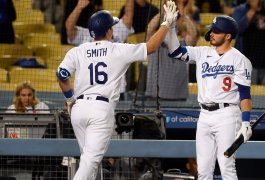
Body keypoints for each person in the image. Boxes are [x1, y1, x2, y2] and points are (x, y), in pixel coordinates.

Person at [56, 0, 178, 178]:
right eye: (112, 26)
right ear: (108, 31)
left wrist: (69, 98)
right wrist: (167, 23)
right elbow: (151, 47)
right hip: (100, 110)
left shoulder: (78, 51)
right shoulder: (118, 49)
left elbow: (61, 75)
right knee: (91, 160)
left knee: (87, 160)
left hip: (79, 108)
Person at [165, 15, 253, 179]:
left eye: (217, 31)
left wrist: (246, 121)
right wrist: (170, 28)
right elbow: (175, 52)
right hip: (204, 115)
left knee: (227, 166)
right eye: (212, 30)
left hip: (227, 114)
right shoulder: (202, 53)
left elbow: (245, 95)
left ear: (228, 36)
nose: (212, 34)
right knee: (203, 169)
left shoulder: (240, 59)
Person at [65, 0, 135, 98]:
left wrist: (79, 7)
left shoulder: (115, 30)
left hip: (114, 91)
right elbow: (69, 28)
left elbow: (128, 17)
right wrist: (79, 7)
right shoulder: (85, 34)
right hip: (91, 92)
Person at [145, 0, 199, 100]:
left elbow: (193, 34)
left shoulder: (183, 46)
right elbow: (149, 30)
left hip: (178, 98)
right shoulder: (154, 45)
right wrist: (162, 12)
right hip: (156, 98)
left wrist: (183, 15)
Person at [232, 0, 265, 88]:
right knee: (246, 96)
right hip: (246, 64)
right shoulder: (240, 10)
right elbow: (237, 29)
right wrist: (253, 10)